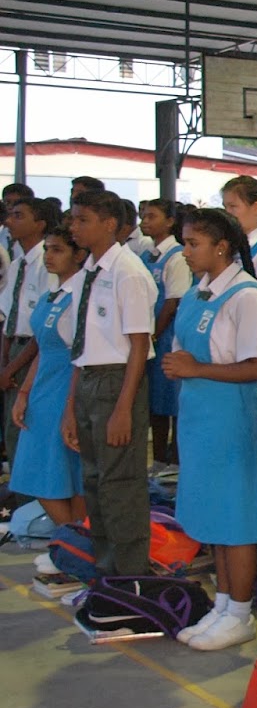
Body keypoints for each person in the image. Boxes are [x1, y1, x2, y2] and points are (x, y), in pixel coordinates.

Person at [162, 209, 257, 651]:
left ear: (222, 246)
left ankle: (242, 612)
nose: (186, 252)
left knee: (237, 518)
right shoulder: (197, 294)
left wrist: (197, 368)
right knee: (213, 516)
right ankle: (224, 602)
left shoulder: (247, 297)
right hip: (199, 417)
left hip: (234, 419)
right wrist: (183, 368)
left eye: (193, 244)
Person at [63, 191, 158, 575]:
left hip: (118, 382)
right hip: (89, 380)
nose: (73, 226)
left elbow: (139, 344)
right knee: (95, 482)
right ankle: (106, 571)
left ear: (108, 224)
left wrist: (123, 408)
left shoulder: (128, 271)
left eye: (82, 219)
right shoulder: (88, 270)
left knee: (121, 484)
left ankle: (130, 574)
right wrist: (71, 407)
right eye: (72, 219)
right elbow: (81, 345)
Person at [10, 224, 87, 526]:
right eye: (47, 249)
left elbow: (81, 355)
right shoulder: (50, 295)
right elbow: (42, 348)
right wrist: (24, 393)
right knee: (40, 468)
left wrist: (70, 403)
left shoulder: (81, 295)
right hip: (43, 389)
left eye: (58, 250)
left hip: (67, 388)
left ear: (78, 255)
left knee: (70, 468)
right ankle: (67, 537)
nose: (49, 256)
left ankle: (74, 541)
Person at [0, 195, 54, 473]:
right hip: (12, 351)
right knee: (12, 428)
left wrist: (12, 366)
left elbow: (44, 327)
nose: (9, 221)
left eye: (19, 215)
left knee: (26, 424)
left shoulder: (48, 263)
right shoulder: (17, 263)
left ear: (40, 224)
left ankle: (32, 506)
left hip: (34, 352)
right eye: (10, 215)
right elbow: (8, 316)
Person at [139, 199, 192, 466]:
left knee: (170, 400)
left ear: (170, 221)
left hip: (165, 335)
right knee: (155, 403)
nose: (145, 221)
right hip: (150, 335)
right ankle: (159, 459)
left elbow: (173, 301)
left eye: (151, 216)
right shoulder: (146, 254)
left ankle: (174, 460)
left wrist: (154, 334)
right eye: (143, 216)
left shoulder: (177, 256)